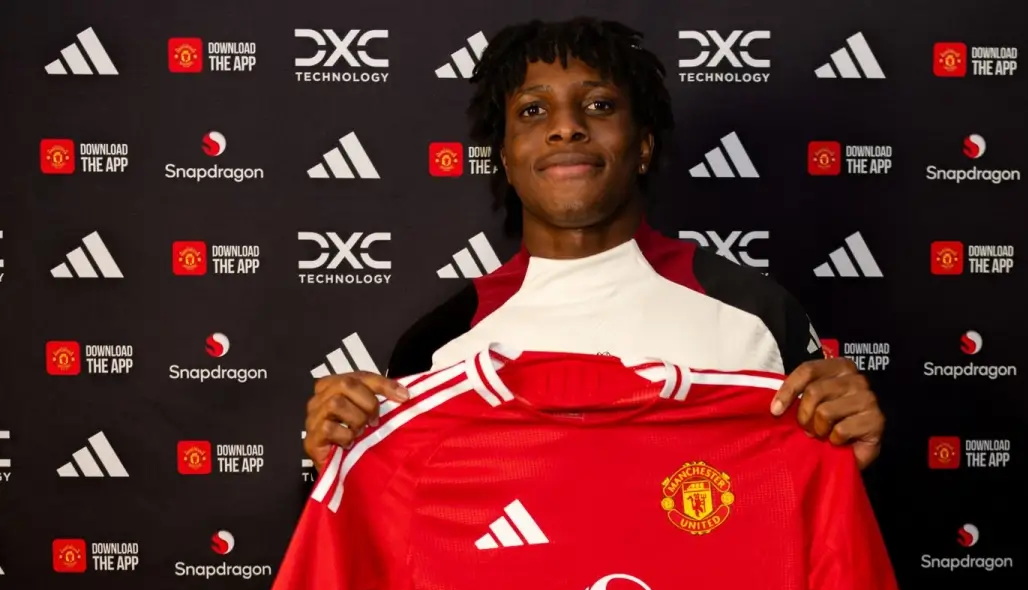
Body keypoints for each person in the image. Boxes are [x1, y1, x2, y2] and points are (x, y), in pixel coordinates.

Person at [303, 17, 885, 474]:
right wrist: (347, 467)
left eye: (599, 105)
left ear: (644, 145)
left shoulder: (756, 315)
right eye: (533, 111)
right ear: (505, 157)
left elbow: (816, 526)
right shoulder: (437, 346)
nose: (566, 127)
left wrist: (848, 460)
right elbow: (401, 550)